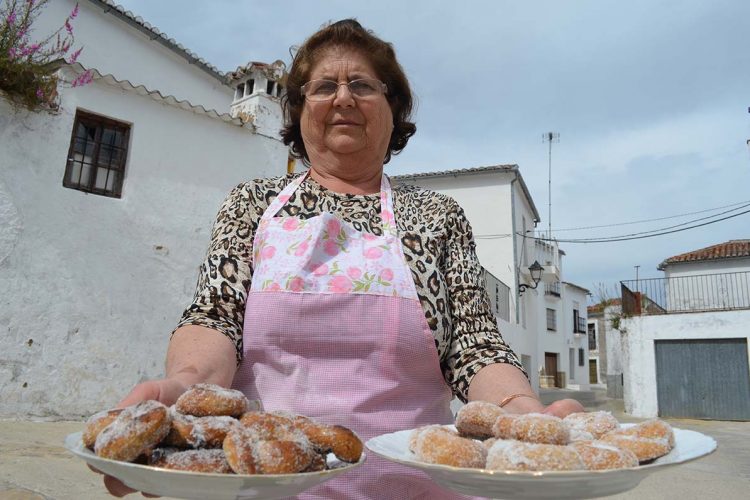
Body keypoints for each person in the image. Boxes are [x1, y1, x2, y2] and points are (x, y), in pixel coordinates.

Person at [100, 19, 583, 498]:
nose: (344, 98)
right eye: (324, 86)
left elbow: (474, 347)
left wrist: (520, 408)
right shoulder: (251, 204)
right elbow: (215, 317)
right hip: (263, 485)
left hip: (416, 487)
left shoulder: (437, 215)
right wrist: (185, 387)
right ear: (299, 109)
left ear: (393, 109)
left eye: (363, 86)